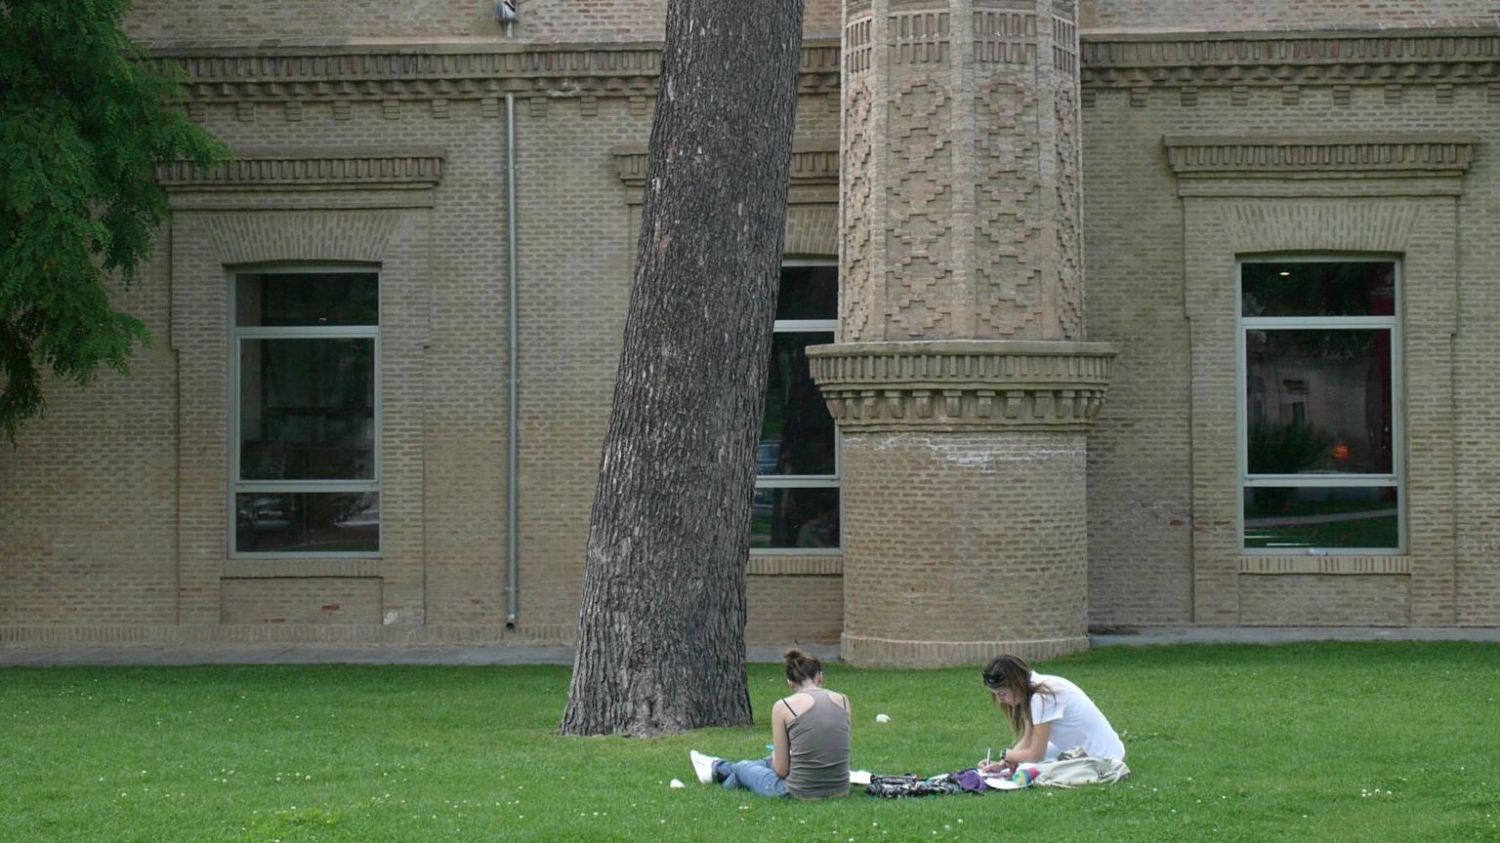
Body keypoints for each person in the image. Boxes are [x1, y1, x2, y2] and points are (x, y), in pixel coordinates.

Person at [689, 649, 851, 799]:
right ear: (820, 677)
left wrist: (777, 758)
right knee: (765, 761)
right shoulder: (843, 700)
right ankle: (715, 769)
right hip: (840, 788)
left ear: (790, 682)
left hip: (798, 791)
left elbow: (781, 770)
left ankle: (718, 769)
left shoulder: (783, 707)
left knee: (743, 767)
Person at [976, 654, 1124, 775]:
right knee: (1025, 766)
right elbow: (1028, 740)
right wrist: (1002, 765)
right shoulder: (1034, 689)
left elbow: (1036, 754)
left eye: (1002, 693)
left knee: (1027, 771)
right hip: (1090, 749)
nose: (1001, 700)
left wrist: (1006, 755)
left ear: (1016, 684)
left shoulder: (1042, 696)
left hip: (1105, 759)